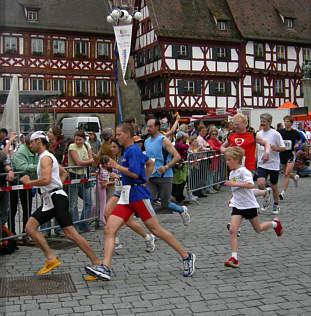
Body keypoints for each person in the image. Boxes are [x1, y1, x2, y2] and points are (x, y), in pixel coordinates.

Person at [84, 123, 195, 280]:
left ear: (127, 135)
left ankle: (186, 256)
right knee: (109, 229)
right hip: (126, 195)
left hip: (137, 195)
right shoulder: (128, 151)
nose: (116, 137)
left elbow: (135, 174)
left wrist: (118, 167)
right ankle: (105, 267)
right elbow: (149, 162)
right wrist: (145, 178)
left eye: (119, 134)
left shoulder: (133, 151)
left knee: (156, 230)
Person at [19, 131, 102, 275]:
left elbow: (46, 180)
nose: (29, 145)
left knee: (71, 234)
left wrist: (29, 182)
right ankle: (51, 258)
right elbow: (63, 173)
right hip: (51, 199)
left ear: (39, 141)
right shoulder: (47, 157)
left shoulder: (45, 158)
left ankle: (97, 263)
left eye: (31, 142)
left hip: (55, 199)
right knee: (30, 228)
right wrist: (57, 187)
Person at [223, 147, 283, 269]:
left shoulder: (244, 171)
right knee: (232, 230)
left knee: (258, 229)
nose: (227, 162)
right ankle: (234, 258)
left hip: (249, 205)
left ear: (236, 160)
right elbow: (235, 188)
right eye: (226, 160)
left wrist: (233, 184)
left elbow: (250, 185)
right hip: (237, 205)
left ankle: (275, 224)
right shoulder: (232, 172)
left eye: (229, 160)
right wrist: (231, 197)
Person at [144, 118, 190, 225]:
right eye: (147, 126)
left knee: (165, 204)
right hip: (151, 177)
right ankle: (154, 229)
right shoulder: (146, 141)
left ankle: (182, 210)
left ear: (157, 127)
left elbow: (177, 156)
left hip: (165, 176)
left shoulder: (163, 140)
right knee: (147, 203)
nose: (148, 129)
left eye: (151, 126)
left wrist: (166, 167)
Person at [9, 133, 38, 240]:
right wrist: (39, 166)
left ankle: (26, 233)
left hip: (27, 182)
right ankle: (11, 233)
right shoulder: (21, 152)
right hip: (16, 183)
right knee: (13, 209)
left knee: (27, 208)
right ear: (30, 143)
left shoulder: (33, 151)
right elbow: (22, 166)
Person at [256, 113, 286, 215]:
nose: (262, 123)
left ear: (269, 122)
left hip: (273, 163)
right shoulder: (258, 134)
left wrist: (274, 148)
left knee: (274, 186)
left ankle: (276, 204)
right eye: (261, 121)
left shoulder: (275, 134)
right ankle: (266, 197)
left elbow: (283, 147)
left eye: (264, 122)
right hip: (261, 163)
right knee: (260, 183)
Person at [68, 131, 93, 232]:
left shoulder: (87, 145)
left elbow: (91, 159)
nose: (78, 141)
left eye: (80, 139)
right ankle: (75, 225)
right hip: (73, 175)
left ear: (84, 139)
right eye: (76, 139)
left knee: (89, 201)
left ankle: (84, 222)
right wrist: (88, 162)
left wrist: (86, 162)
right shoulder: (72, 147)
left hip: (84, 175)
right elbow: (77, 162)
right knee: (73, 203)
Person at [278, 115, 301, 200]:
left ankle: (283, 193)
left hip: (290, 154)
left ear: (291, 123)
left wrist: (297, 144)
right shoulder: (281, 132)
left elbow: (300, 139)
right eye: (285, 121)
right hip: (283, 154)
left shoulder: (295, 132)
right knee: (285, 172)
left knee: (287, 174)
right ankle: (295, 177)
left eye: (288, 121)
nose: (286, 123)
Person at [172, 131, 189, 203]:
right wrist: (188, 142)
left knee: (182, 180)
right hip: (179, 164)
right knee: (179, 180)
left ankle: (180, 195)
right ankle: (178, 196)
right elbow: (186, 147)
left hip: (182, 163)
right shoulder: (178, 144)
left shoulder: (180, 144)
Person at [0, 150, 14, 226]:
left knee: (4, 212)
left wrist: (10, 171)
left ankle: (2, 233)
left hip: (3, 185)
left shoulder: (1, 154)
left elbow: (5, 162)